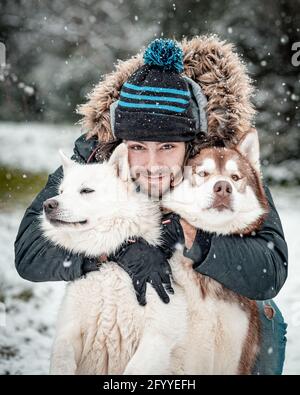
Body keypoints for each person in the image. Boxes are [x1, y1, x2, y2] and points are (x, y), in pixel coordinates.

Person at [14, 37, 288, 374]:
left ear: (191, 143)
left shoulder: (222, 163)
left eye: (168, 146)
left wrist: (191, 239)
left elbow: (270, 268)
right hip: (134, 315)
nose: (153, 163)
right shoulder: (93, 159)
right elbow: (30, 254)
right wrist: (114, 250)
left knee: (261, 310)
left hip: (207, 314)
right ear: (120, 140)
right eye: (138, 147)